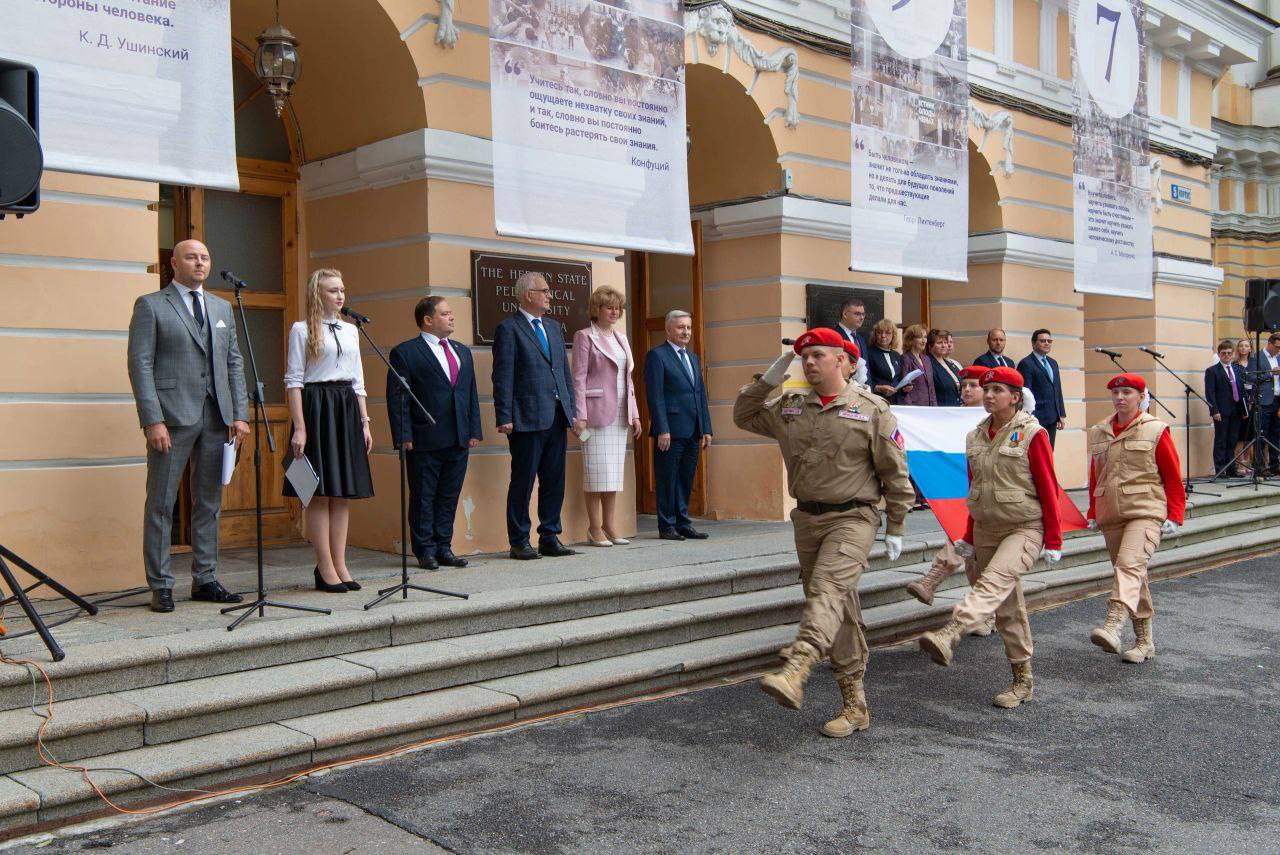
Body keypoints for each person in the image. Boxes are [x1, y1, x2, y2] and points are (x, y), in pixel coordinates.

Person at [736, 330, 912, 736]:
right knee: (837, 607)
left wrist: (897, 525)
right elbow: (744, 416)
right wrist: (768, 381)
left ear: (843, 361)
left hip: (853, 517)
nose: (809, 362)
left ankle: (797, 665)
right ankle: (855, 705)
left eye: (818, 355)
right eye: (804, 357)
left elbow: (895, 472)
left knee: (827, 590)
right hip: (808, 520)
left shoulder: (871, 410)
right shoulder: (792, 406)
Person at [918, 367, 1064, 708]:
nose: (988, 395)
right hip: (985, 528)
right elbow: (976, 490)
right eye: (987, 389)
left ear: (1015, 397)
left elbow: (1048, 488)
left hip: (1023, 527)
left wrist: (1054, 539)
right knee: (1007, 606)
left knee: (993, 582)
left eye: (997, 390)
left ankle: (951, 632)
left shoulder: (1032, 433)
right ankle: (1022, 680)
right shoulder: (974, 436)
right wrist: (968, 536)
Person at [127, 239, 249, 613]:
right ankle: (161, 584)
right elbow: (140, 365)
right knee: (162, 503)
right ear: (174, 263)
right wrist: (152, 420)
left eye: (205, 257)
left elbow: (233, 362)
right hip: (171, 418)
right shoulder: (151, 305)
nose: (200, 262)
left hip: (216, 416)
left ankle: (206, 579)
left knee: (209, 502)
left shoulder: (221, 307)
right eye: (192, 257)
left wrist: (240, 414)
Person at [283, 270, 374, 592]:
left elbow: (358, 380)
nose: (340, 296)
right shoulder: (301, 329)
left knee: (340, 493)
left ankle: (340, 564)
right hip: (317, 407)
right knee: (319, 493)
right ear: (317, 294)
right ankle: (324, 567)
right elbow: (294, 380)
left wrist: (364, 422)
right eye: (333, 290)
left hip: (345, 407)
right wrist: (300, 427)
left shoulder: (351, 330)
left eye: (342, 290)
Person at [1086, 374, 1185, 664]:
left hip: (1146, 510)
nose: (1120, 397)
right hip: (1111, 512)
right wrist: (1092, 511)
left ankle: (1113, 625)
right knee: (1132, 575)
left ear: (1141, 397)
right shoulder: (1100, 431)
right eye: (1116, 392)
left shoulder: (1155, 429)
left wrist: (1175, 513)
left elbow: (1172, 475)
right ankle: (1144, 642)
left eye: (1127, 392)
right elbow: (1096, 475)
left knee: (1128, 566)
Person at [388, 296, 482, 571]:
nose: (452, 317)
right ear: (428, 320)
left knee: (449, 495)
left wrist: (474, 429)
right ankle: (425, 549)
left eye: (451, 313)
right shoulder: (406, 352)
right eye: (445, 313)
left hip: (458, 437)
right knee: (424, 496)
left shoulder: (462, 351)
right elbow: (398, 398)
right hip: (424, 438)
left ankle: (443, 546)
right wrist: (403, 435)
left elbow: (470, 394)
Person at [492, 272, 578, 560]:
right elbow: (502, 375)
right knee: (523, 481)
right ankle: (519, 540)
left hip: (556, 416)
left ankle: (549, 536)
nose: (550, 295)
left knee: (554, 480)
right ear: (528, 295)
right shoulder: (509, 329)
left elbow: (563, 373)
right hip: (526, 418)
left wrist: (572, 412)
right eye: (545, 291)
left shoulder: (553, 327)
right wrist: (504, 415)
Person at [905, 365, 994, 638]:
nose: (967, 390)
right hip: (962, 495)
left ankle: (933, 581)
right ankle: (985, 615)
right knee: (972, 558)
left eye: (973, 385)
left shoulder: (1000, 419)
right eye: (963, 385)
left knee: (971, 551)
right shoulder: (951, 419)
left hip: (993, 497)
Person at [572, 287, 642, 547]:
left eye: (618, 308)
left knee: (612, 473)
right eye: (609, 307)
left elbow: (628, 380)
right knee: (596, 472)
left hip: (620, 413)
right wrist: (579, 414)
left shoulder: (622, 338)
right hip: (594, 415)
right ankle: (594, 527)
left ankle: (610, 525)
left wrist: (635, 415)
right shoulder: (584, 336)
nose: (615, 312)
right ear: (597, 309)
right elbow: (578, 378)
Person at [644, 310, 713, 541]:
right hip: (670, 431)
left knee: (685, 478)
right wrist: (662, 428)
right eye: (681, 327)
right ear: (668, 330)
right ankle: (667, 525)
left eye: (689, 327)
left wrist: (706, 428)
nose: (686, 332)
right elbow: (655, 396)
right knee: (667, 478)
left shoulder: (692, 357)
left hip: (693, 429)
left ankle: (683, 523)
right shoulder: (657, 356)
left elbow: (699, 394)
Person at [1017, 328, 1066, 446]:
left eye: (1049, 341)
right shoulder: (1026, 363)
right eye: (1043, 341)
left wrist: (1061, 414)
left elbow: (1057, 389)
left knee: (1049, 450)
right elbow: (1025, 392)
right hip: (1035, 417)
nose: (1047, 343)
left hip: (1052, 417)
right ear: (1034, 343)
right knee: (1036, 450)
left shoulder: (1053, 363)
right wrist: (1029, 417)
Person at [1205, 340, 1246, 477]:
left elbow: (1241, 390)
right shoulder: (1212, 371)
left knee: (1232, 440)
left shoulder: (1237, 369)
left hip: (1236, 410)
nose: (1227, 355)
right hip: (1221, 411)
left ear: (1233, 354)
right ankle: (1220, 469)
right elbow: (1210, 393)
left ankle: (1231, 468)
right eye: (1224, 353)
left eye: (1229, 353)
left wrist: (1244, 410)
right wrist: (1214, 410)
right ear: (1219, 354)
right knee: (1221, 440)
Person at [1247, 332, 1280, 477]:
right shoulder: (1257, 357)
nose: (1279, 350)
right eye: (1277, 347)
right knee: (1261, 434)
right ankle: (1260, 467)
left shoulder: (1278, 357)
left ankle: (1275, 465)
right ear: (1270, 343)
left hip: (1277, 400)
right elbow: (1250, 376)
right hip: (1263, 401)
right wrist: (1270, 374)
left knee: (1276, 434)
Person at [896, 323, 935, 406]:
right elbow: (904, 386)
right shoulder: (905, 358)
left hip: (930, 407)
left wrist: (935, 407)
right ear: (910, 340)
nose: (924, 341)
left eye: (925, 337)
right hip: (914, 407)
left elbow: (932, 388)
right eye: (920, 337)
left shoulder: (927, 359)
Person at [866, 319, 902, 400]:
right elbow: (864, 380)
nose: (883, 336)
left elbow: (898, 379)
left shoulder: (896, 355)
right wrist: (878, 388)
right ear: (875, 335)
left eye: (888, 333)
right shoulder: (869, 353)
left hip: (896, 400)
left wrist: (905, 388)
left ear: (893, 335)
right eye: (879, 332)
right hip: (877, 399)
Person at [927, 329, 962, 407]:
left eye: (945, 342)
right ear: (930, 346)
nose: (943, 345)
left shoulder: (949, 363)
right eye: (939, 343)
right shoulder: (928, 363)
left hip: (956, 407)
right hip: (940, 409)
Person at [1235, 338, 1255, 468]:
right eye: (1241, 346)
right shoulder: (1234, 364)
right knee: (1240, 435)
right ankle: (1240, 463)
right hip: (1241, 401)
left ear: (1250, 349)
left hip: (1253, 401)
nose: (1243, 348)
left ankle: (1247, 463)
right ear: (1238, 348)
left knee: (1250, 435)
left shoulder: (1254, 363)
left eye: (1246, 346)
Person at [830, 296, 869, 360]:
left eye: (863, 314)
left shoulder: (861, 339)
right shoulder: (833, 336)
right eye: (857, 314)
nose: (862, 318)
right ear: (845, 314)